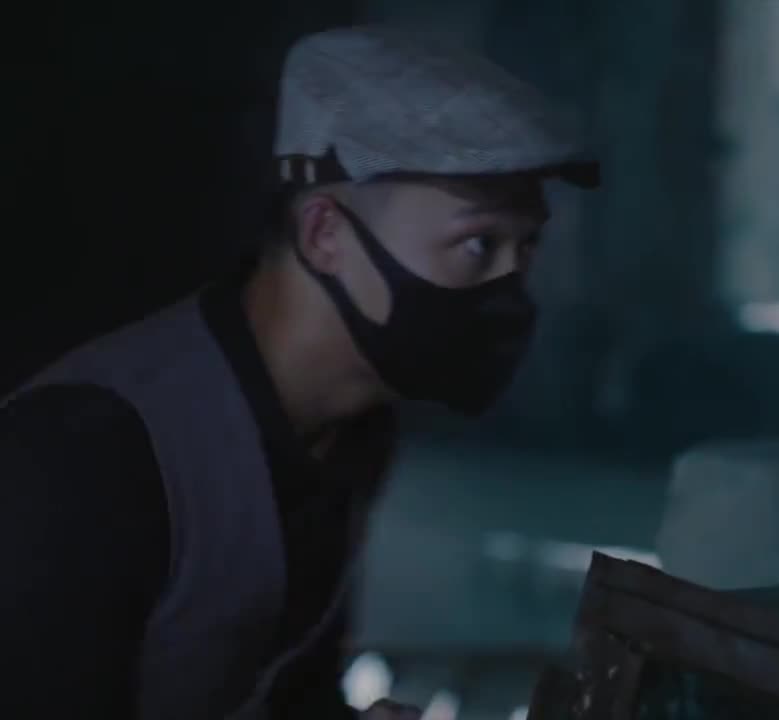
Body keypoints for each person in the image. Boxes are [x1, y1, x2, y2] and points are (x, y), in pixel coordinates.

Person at [0, 25, 597, 720]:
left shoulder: (353, 430)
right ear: (324, 234)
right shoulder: (86, 456)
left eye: (526, 249)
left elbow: (275, 686)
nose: (512, 287)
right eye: (477, 243)